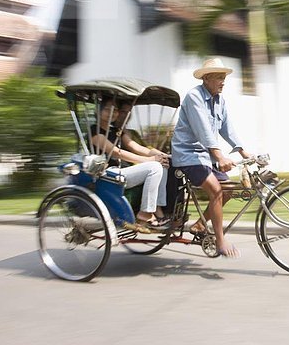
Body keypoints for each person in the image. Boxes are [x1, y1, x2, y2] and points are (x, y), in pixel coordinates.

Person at [171, 58, 252, 258]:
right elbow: (203, 130)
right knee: (216, 190)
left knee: (229, 190)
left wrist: (241, 149)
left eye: (224, 77)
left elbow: (226, 127)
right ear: (206, 78)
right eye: (218, 77)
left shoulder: (219, 100)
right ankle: (221, 241)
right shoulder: (194, 97)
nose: (223, 82)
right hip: (187, 155)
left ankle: (199, 224)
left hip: (205, 157)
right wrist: (219, 156)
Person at [91, 99, 170, 229]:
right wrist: (150, 160)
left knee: (162, 165)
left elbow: (137, 147)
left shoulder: (116, 131)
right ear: (98, 112)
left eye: (115, 110)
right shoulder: (95, 131)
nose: (113, 112)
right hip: (107, 174)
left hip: (121, 172)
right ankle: (145, 213)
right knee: (154, 167)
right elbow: (117, 152)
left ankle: (157, 209)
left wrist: (162, 156)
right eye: (107, 109)